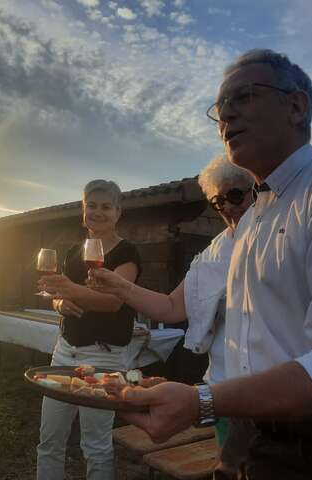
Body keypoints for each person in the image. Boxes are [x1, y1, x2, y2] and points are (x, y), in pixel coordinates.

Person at [116, 49, 312, 479]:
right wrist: (199, 395)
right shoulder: (253, 223)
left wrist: (203, 402)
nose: (226, 115)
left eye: (242, 97)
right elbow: (258, 350)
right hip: (253, 438)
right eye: (220, 108)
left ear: (296, 106)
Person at [91, 154, 255, 478]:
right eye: (217, 200)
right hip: (223, 392)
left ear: (257, 188)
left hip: (279, 394)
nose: (227, 206)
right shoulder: (215, 252)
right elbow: (170, 307)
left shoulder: (284, 238)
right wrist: (119, 287)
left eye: (236, 194)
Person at [35, 179, 141, 480]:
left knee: (95, 444)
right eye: (91, 206)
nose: (97, 212)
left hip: (104, 358)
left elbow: (112, 302)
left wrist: (69, 290)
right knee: (50, 440)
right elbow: (58, 295)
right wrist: (59, 304)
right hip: (64, 351)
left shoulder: (127, 253)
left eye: (106, 207)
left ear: (118, 212)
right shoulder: (72, 253)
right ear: (83, 211)